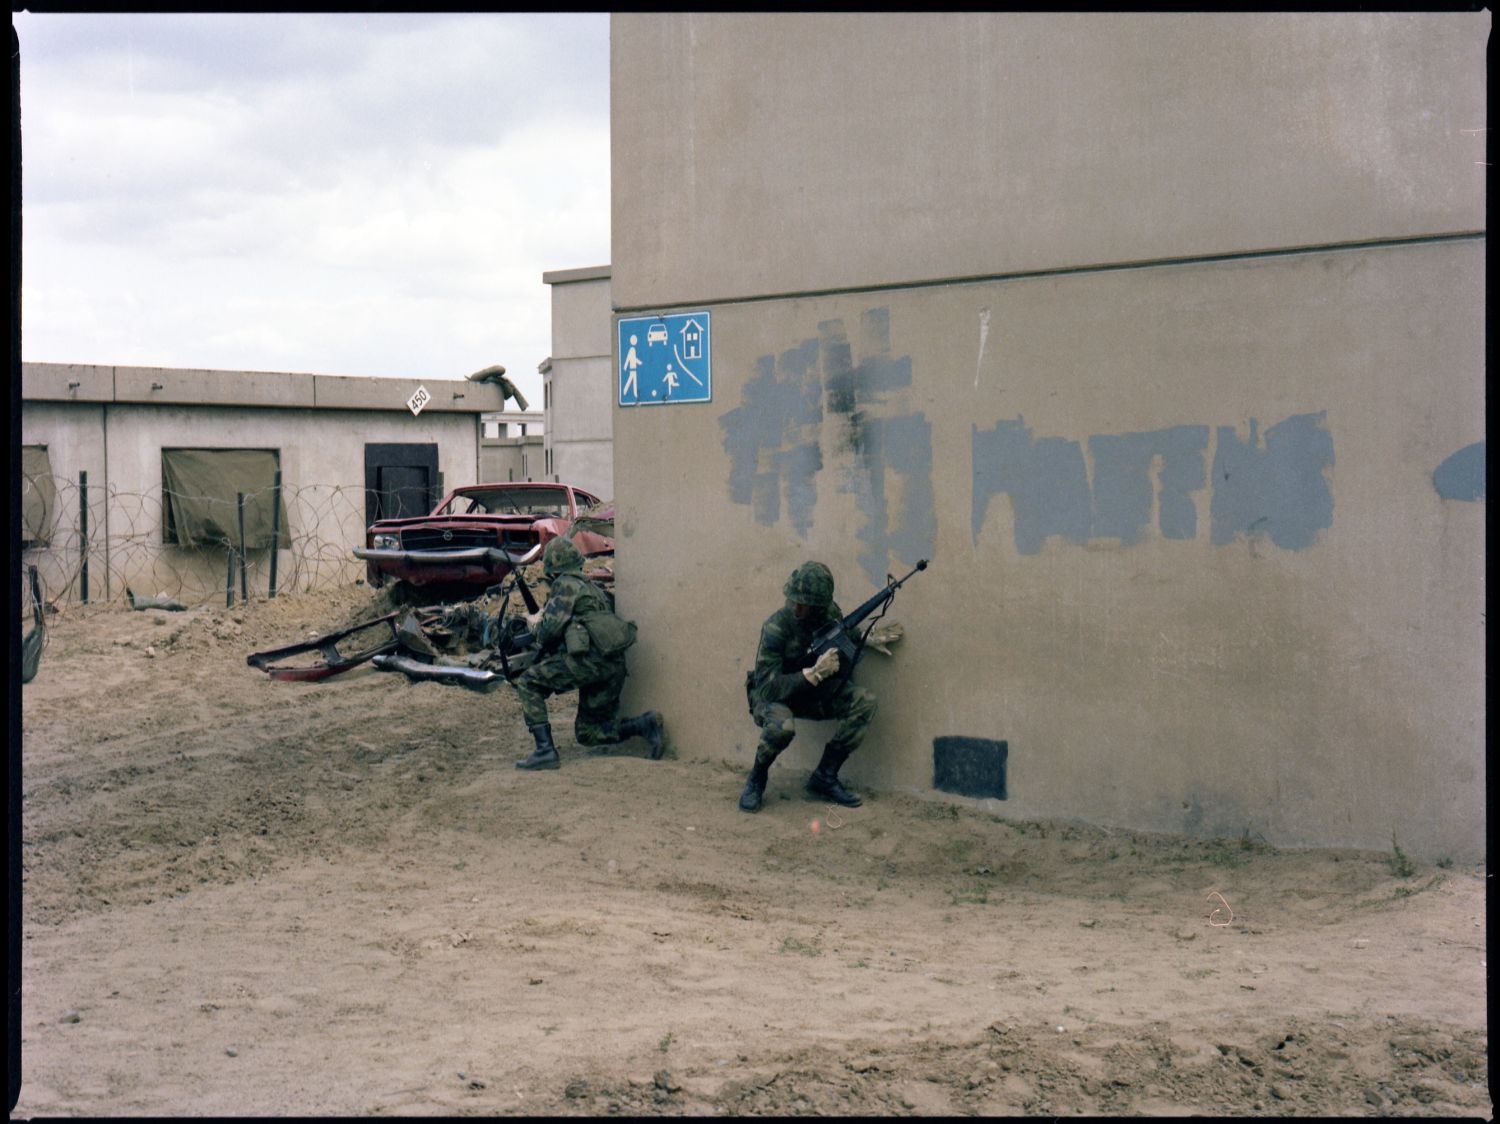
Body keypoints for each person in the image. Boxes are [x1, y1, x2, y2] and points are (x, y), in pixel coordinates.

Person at [512, 537, 664, 769]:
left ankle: (545, 751)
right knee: (588, 733)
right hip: (612, 666)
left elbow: (547, 632)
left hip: (589, 663)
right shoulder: (595, 590)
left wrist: (534, 623)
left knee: (528, 682)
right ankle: (644, 725)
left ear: (553, 567)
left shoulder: (565, 584)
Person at [739, 561, 876, 812]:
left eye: (805, 603)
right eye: (794, 599)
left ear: (820, 606)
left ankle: (825, 776)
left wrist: (866, 637)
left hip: (810, 694)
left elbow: (842, 642)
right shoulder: (777, 626)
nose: (797, 607)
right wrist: (810, 675)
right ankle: (756, 779)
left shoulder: (830, 614)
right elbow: (766, 687)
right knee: (782, 727)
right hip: (772, 696)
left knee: (864, 702)